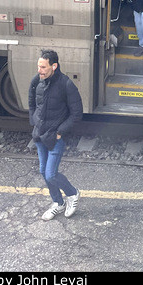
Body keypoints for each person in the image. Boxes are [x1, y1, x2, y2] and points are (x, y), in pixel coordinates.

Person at [28, 49, 83, 220]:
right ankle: (58, 203)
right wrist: (34, 122)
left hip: (55, 137)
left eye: (43, 67)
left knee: (51, 173)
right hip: (40, 135)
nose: (39, 70)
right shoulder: (37, 80)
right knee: (44, 172)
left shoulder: (66, 84)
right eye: (38, 66)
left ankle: (72, 194)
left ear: (54, 66)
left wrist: (60, 132)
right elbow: (31, 103)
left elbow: (77, 114)